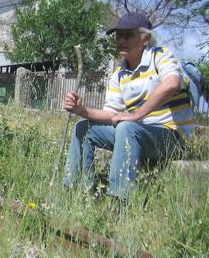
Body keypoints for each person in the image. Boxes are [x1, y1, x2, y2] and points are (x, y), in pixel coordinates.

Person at [62, 12, 195, 201]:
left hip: (171, 137)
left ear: (146, 38)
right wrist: (81, 111)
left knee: (127, 127)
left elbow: (172, 83)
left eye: (128, 35)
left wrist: (136, 115)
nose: (121, 41)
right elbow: (111, 114)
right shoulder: (119, 74)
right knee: (83, 128)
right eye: (119, 36)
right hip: (136, 132)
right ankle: (77, 192)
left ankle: (119, 200)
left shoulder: (160, 56)